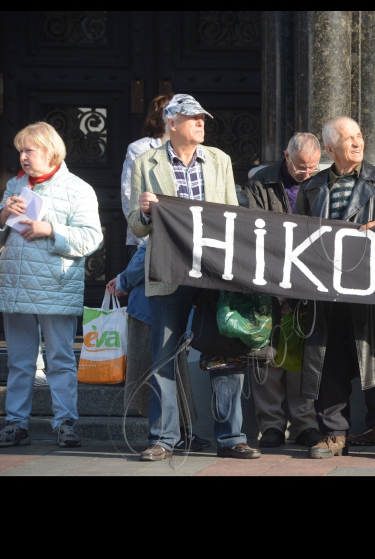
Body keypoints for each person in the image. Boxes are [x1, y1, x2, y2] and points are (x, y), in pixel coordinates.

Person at [129, 94, 259, 462]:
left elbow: (233, 216)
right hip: (168, 272)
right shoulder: (145, 162)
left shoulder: (220, 160)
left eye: (203, 118)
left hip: (214, 273)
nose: (201, 123)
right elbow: (137, 228)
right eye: (192, 118)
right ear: (172, 123)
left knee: (225, 354)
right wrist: (143, 212)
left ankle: (231, 437)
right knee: (163, 356)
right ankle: (162, 439)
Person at [295, 117, 375, 461]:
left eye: (359, 136)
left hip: (372, 289)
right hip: (326, 291)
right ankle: (333, 433)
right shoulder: (312, 187)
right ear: (330, 149)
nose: (358, 143)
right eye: (348, 139)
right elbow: (296, 235)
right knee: (329, 362)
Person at [0, 122, 103, 449]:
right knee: (18, 360)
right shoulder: (14, 185)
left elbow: (92, 238)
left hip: (55, 286)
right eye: (20, 151)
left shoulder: (78, 189)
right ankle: (16, 423)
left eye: (28, 150)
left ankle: (65, 423)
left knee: (60, 358)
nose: (23, 157)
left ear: (50, 151)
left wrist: (49, 229)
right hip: (16, 286)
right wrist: (3, 214)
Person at [245, 133, 323, 449]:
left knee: (301, 354)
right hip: (269, 275)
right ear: (286, 157)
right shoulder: (260, 182)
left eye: (313, 168)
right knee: (266, 354)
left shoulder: (323, 181)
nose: (307, 174)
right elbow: (251, 229)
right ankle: (272, 426)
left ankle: (304, 424)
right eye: (302, 167)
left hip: (308, 277)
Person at [106, 246, 210, 453]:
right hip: (168, 302)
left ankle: (171, 434)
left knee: (160, 369)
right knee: (169, 369)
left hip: (151, 304)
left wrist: (124, 280)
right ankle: (175, 432)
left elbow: (148, 252)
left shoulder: (161, 215)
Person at [121, 94, 172, 258]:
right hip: (144, 241)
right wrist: (144, 238)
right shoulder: (140, 149)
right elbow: (128, 194)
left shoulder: (189, 149)